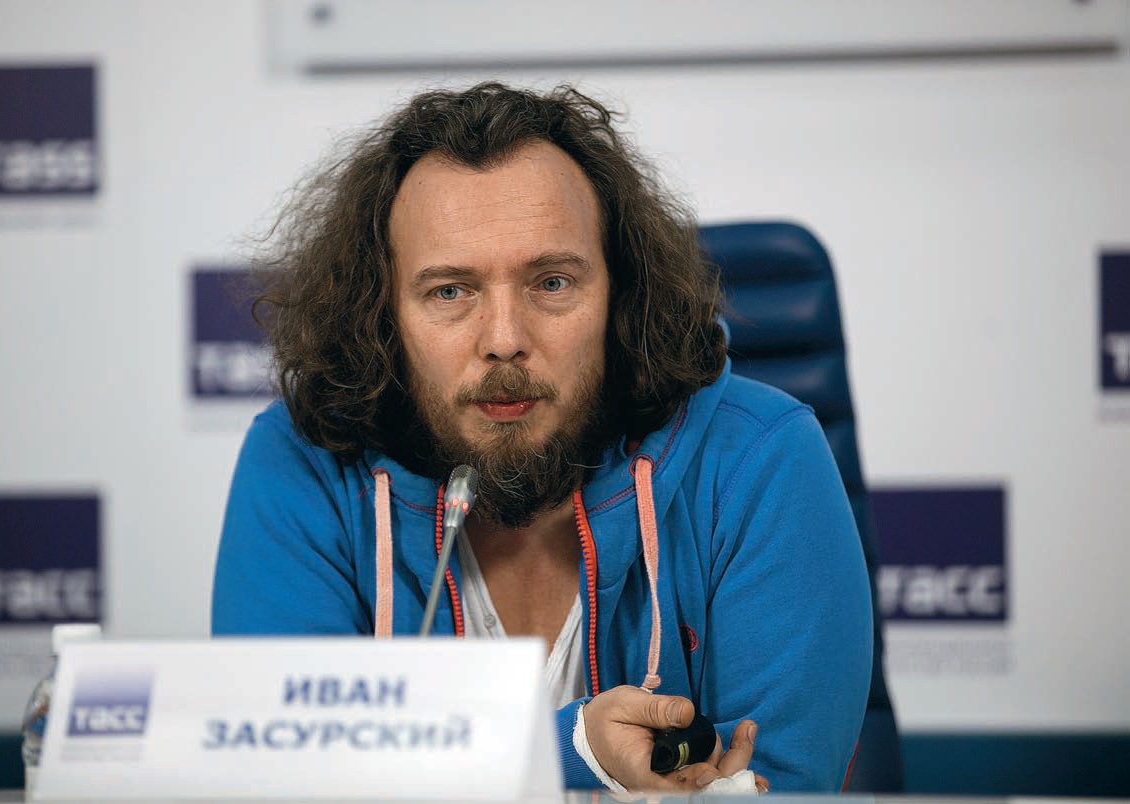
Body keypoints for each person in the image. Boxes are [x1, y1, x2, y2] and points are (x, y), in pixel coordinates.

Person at [212, 82, 872, 793]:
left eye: (552, 283)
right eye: (449, 291)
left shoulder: (761, 457)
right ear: (382, 314)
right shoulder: (305, 460)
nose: (503, 339)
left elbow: (775, 787)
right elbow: (280, 777)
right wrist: (573, 748)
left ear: (621, 294)